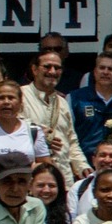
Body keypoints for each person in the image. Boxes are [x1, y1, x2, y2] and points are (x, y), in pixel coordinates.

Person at [19, 48, 84, 180]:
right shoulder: (20, 96)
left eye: (57, 68)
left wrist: (82, 166)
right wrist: (35, 133)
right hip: (32, 179)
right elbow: (9, 129)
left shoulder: (62, 102)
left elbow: (71, 140)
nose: (52, 72)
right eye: (47, 67)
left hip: (62, 178)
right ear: (35, 69)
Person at [68, 53, 112, 171]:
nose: (105, 72)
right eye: (102, 68)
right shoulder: (75, 98)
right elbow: (68, 134)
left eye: (110, 69)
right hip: (83, 166)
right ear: (94, 71)